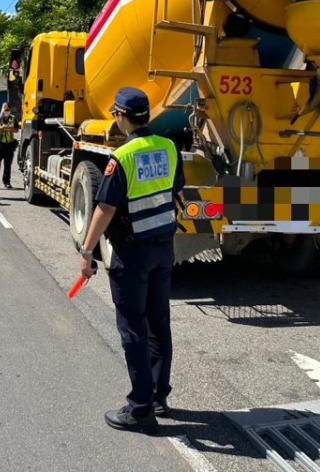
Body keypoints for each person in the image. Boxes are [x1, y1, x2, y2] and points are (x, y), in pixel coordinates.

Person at [76, 87, 184, 433]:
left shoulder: (121, 157)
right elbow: (174, 191)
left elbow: (105, 209)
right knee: (158, 322)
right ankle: (157, 396)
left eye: (116, 116)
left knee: (133, 328)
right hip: (163, 248)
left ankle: (139, 409)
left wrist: (87, 251)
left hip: (132, 253)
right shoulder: (169, 148)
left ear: (122, 116)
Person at [0, 102, 20, 189]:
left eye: (7, 110)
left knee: (8, 165)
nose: (6, 111)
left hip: (9, 144)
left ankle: (7, 182)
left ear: (10, 110)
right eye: (4, 110)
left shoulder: (13, 118)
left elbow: (16, 130)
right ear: (1, 110)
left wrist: (8, 128)